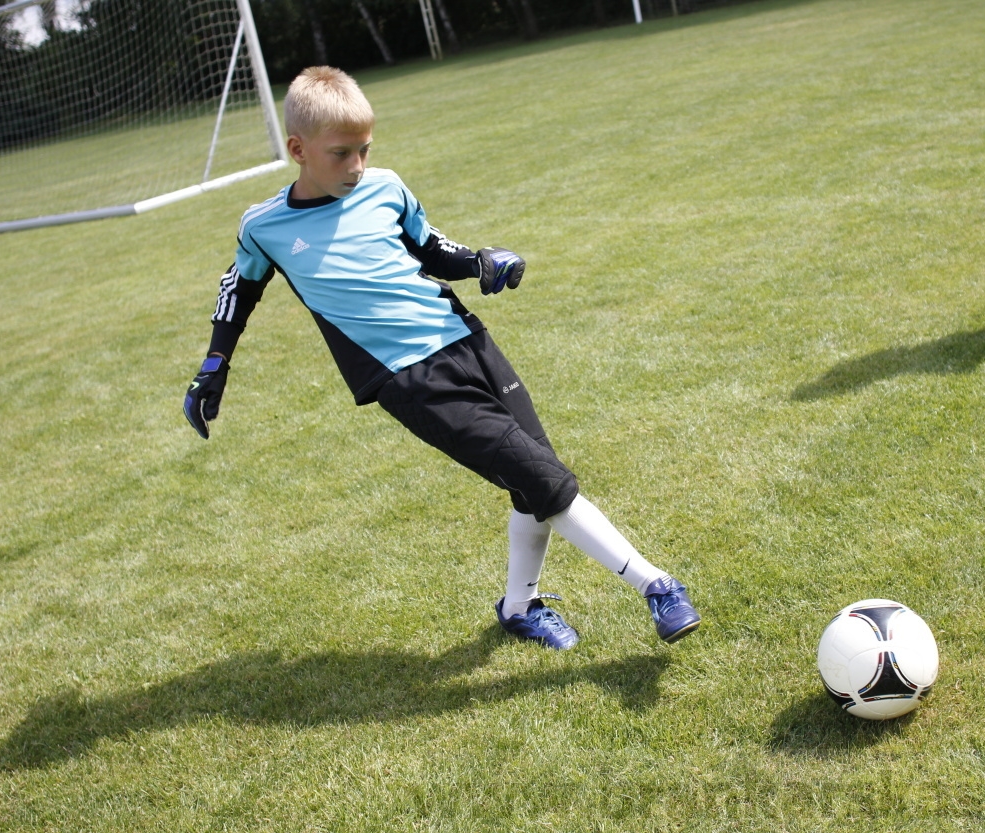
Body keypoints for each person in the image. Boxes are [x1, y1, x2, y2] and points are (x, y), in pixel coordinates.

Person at [182, 67, 700, 650]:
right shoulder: (265, 227)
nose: (356, 166)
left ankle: (519, 608)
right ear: (298, 150)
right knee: (544, 479)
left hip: (467, 341)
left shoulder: (386, 187)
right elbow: (239, 291)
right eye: (340, 154)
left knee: (534, 483)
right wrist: (214, 364)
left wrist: (482, 261)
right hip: (407, 379)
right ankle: (656, 585)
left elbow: (431, 248)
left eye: (365, 150)